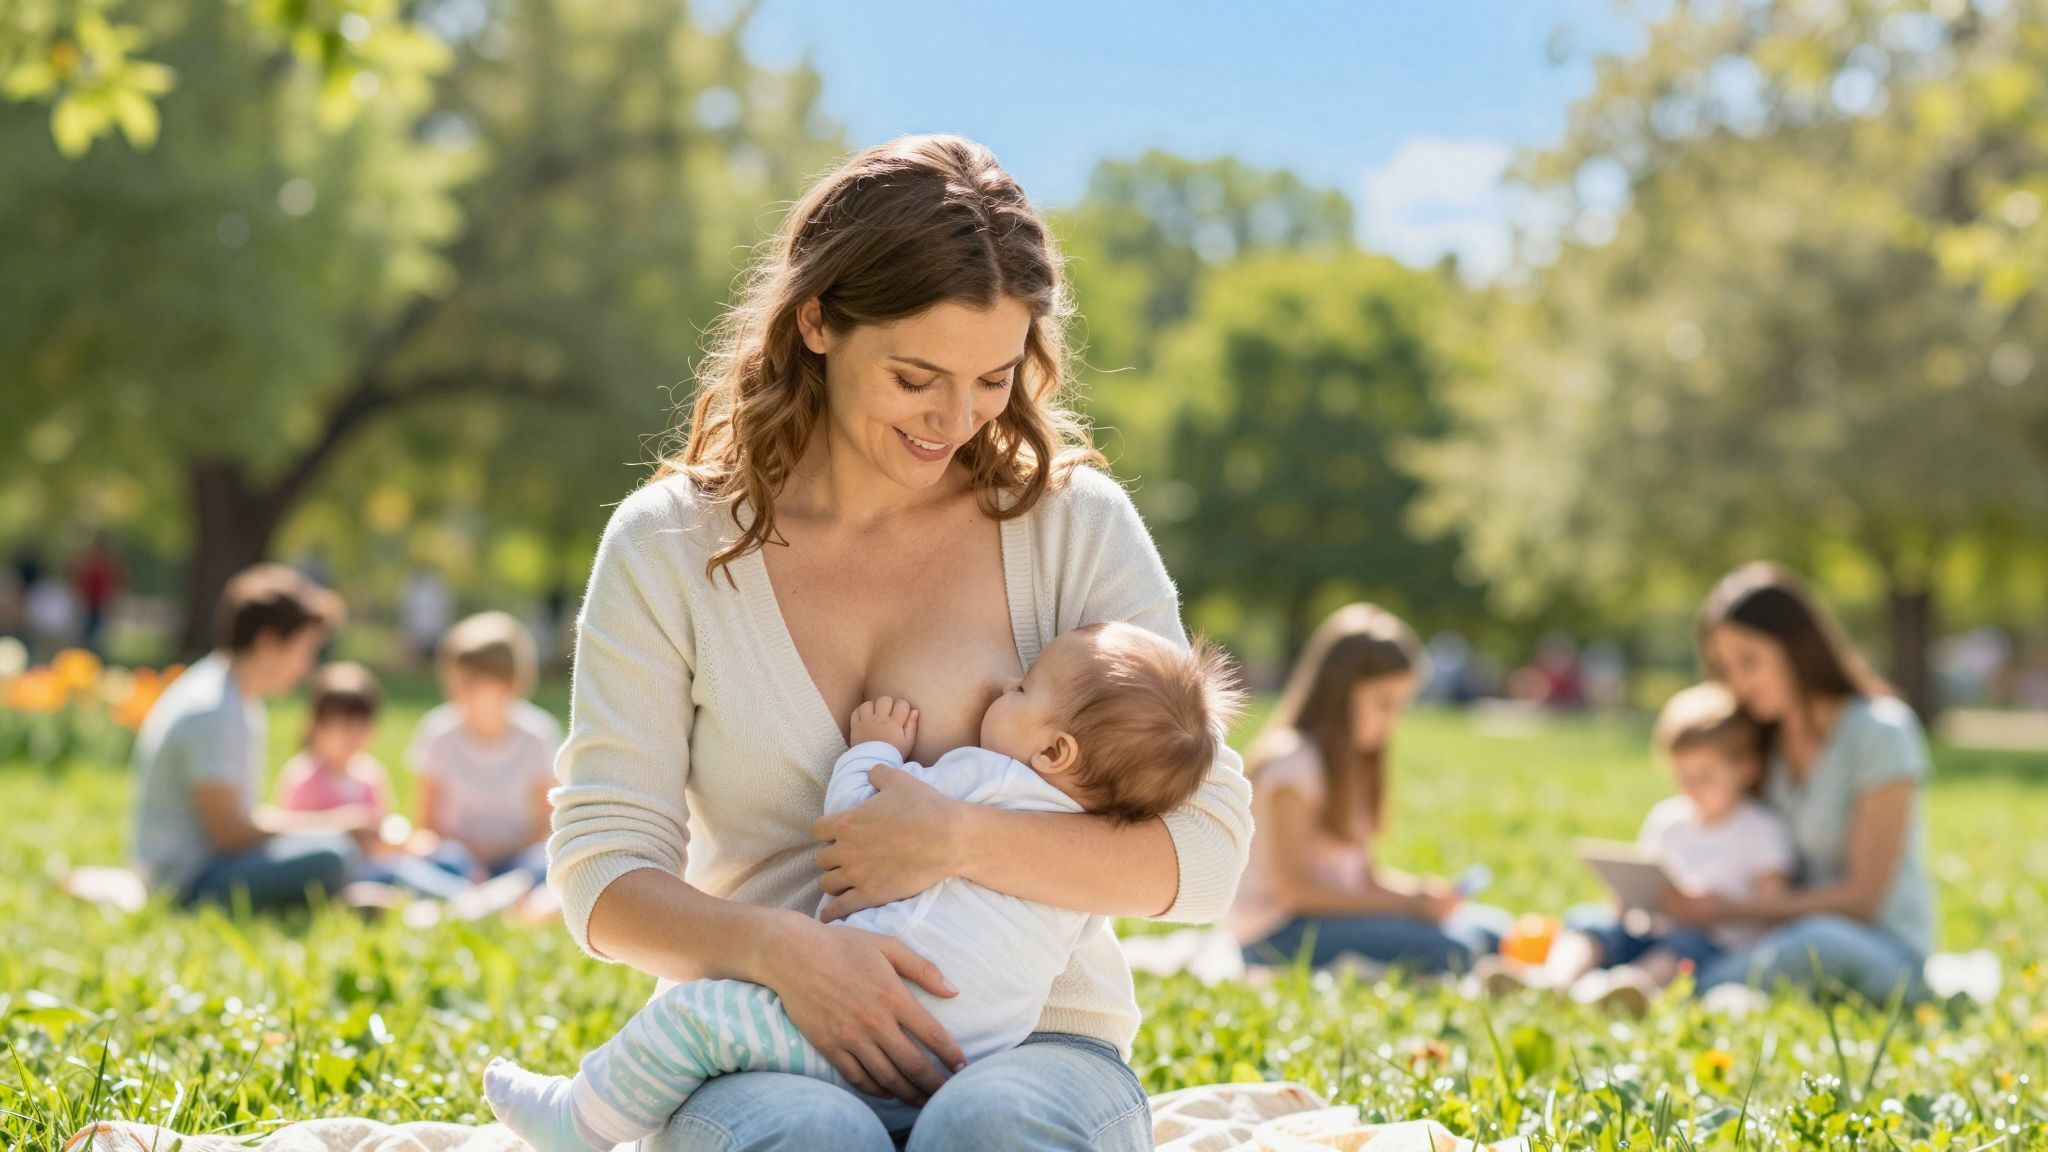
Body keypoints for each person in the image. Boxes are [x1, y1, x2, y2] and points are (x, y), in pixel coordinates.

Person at [546, 134, 1253, 1151]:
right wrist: (780, 954)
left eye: (993, 379)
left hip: (1034, 1048)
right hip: (766, 1040)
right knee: (808, 1140)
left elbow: (1208, 854)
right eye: (917, 376)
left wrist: (960, 840)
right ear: (817, 321)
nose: (954, 419)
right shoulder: (669, 546)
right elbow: (603, 869)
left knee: (990, 1129)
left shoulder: (1072, 526)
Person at [487, 623, 1239, 1152]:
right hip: (969, 1050)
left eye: (1022, 687)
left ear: (1053, 750)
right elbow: (605, 855)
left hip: (844, 1024)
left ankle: (579, 1120)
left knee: (696, 1021)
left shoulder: (982, 778)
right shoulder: (1086, 859)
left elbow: (858, 825)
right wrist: (772, 947)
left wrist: (872, 749)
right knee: (829, 1132)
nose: (1002, 687)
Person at [1664, 562, 1935, 1003]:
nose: (1738, 684)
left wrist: (1730, 909)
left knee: (1815, 943)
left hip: (1882, 950)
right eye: (1725, 669)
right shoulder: (1759, 743)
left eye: (1749, 661)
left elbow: (1863, 900)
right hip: (1769, 939)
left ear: (1795, 647)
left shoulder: (1882, 731)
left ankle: (1674, 989)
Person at [1229, 603, 1509, 974]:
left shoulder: (1351, 761)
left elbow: (1361, 877)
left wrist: (1420, 894)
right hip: (1278, 934)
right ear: (1339, 693)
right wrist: (1407, 905)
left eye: (1400, 707)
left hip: (1328, 919)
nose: (1392, 721)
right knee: (1456, 949)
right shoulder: (1291, 764)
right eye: (1383, 704)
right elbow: (1296, 891)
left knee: (1496, 931)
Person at [1484, 682, 1796, 1012]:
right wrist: (1626, 901)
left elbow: (1771, 906)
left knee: (1683, 947)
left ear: (1746, 768)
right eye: (1681, 775)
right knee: (1590, 921)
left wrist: (1716, 909)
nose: (1691, 787)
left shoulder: (1761, 829)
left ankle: (1629, 989)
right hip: (1651, 930)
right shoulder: (1668, 819)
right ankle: (1554, 981)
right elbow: (1637, 890)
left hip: (1711, 943)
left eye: (1705, 776)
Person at [129, 563, 357, 910]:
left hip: (212, 864)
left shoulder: (235, 698)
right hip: (186, 882)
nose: (306, 667)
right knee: (331, 856)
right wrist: (335, 824)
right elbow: (230, 833)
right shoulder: (212, 710)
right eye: (304, 650)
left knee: (333, 850)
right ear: (268, 643)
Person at [275, 662, 476, 901]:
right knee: (400, 874)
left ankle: (468, 890)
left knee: (450, 856)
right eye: (345, 727)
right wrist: (343, 826)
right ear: (317, 726)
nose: (354, 737)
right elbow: (292, 840)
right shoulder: (305, 778)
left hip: (380, 861)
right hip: (348, 876)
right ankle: (466, 899)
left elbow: (383, 833)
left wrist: (404, 842)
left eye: (362, 727)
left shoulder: (370, 774)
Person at [406, 611, 561, 884]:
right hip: (457, 856)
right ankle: (492, 894)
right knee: (441, 860)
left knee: (544, 863)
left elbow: (546, 824)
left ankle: (490, 893)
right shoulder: (438, 732)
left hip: (518, 855)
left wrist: (502, 850)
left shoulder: (537, 735)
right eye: (455, 680)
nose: (457, 690)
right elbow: (427, 824)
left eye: (471, 682)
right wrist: (472, 851)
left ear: (509, 683)